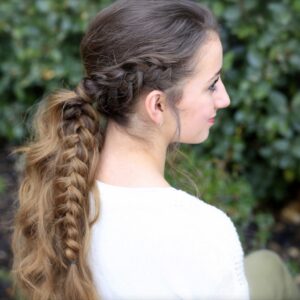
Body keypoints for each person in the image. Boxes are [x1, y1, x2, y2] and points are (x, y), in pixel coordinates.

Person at [11, 0, 300, 300]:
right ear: (158, 105)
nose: (224, 98)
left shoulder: (58, 189)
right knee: (269, 267)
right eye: (212, 84)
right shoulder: (206, 234)